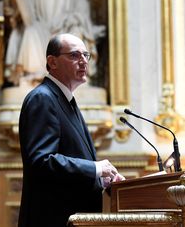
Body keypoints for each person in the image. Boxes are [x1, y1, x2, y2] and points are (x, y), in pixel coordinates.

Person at [18, 33, 124, 227]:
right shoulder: (42, 98)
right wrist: (95, 168)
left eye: (86, 55)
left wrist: (102, 180)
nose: (83, 61)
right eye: (74, 55)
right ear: (52, 62)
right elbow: (41, 161)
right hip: (53, 220)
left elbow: (70, 163)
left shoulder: (66, 101)